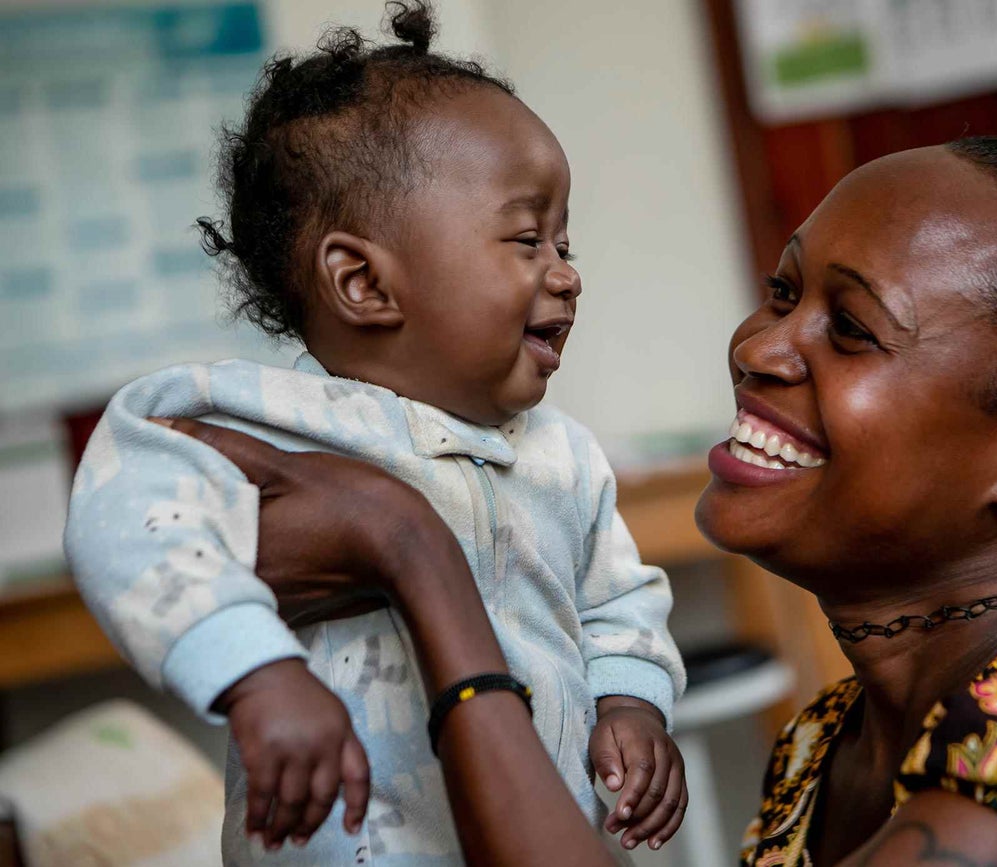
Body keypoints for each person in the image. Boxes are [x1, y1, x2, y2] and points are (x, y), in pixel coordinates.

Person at [157, 136, 997, 866]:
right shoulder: (824, 745)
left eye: (851, 329)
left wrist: (417, 554)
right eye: (784, 291)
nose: (756, 345)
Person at [63, 4, 687, 864]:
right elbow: (128, 520)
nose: (568, 272)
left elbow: (618, 602)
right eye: (527, 239)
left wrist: (630, 703)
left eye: (566, 240)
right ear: (362, 281)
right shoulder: (258, 419)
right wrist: (257, 673)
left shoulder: (563, 456)